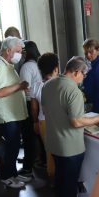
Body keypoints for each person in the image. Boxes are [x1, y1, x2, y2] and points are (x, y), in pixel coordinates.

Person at [42, 56, 99, 197]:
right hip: (70, 144)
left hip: (53, 140)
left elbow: (46, 110)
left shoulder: (48, 84)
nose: (84, 78)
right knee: (71, 180)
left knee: (60, 175)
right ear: (75, 72)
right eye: (83, 74)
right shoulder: (73, 91)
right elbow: (76, 121)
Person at [0, 37, 32, 189]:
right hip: (6, 115)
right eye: (18, 52)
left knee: (13, 146)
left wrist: (20, 87)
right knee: (11, 147)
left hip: (13, 114)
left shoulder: (7, 64)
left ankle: (12, 173)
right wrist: (19, 86)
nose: (20, 55)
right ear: (8, 50)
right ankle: (7, 176)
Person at [35, 52, 60, 182]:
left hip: (42, 122)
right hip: (54, 122)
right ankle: (56, 179)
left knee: (49, 152)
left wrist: (35, 122)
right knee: (57, 154)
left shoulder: (38, 84)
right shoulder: (57, 85)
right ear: (56, 68)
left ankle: (52, 179)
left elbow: (35, 106)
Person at [18, 40, 42, 178]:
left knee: (28, 136)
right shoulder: (38, 63)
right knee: (37, 134)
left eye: (22, 51)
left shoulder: (26, 66)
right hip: (39, 102)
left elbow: (24, 86)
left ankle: (27, 168)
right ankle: (39, 160)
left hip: (29, 102)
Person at [82, 38, 99, 112]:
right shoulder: (92, 63)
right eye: (86, 53)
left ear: (98, 51)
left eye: (91, 52)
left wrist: (95, 113)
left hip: (96, 105)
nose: (88, 55)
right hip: (90, 102)